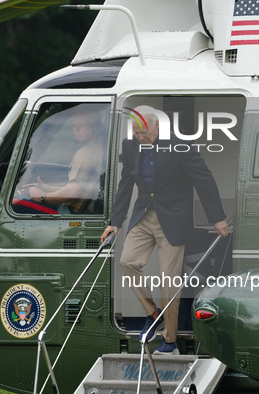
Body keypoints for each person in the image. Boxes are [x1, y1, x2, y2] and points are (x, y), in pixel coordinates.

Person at [101, 105, 229, 355]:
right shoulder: (130, 146)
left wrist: (217, 218)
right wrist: (115, 221)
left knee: (169, 281)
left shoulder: (180, 146)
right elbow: (126, 183)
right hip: (143, 215)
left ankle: (169, 340)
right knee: (127, 262)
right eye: (136, 132)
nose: (141, 137)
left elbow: (203, 179)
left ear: (157, 125)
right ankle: (152, 313)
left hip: (173, 218)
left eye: (145, 132)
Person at [13, 106, 104, 214]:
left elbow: (73, 192)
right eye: (74, 125)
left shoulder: (86, 153)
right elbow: (79, 187)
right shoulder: (99, 148)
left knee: (16, 201)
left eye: (82, 125)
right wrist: (46, 188)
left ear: (95, 127)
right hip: (85, 211)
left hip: (71, 213)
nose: (76, 129)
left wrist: (42, 196)